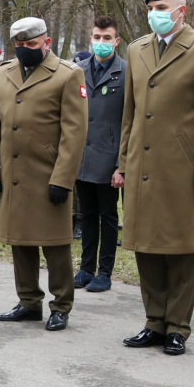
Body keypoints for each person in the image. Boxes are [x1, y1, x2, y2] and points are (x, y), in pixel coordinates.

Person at [118, 0, 194, 355]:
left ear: (181, 11)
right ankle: (154, 322)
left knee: (182, 250)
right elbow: (130, 114)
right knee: (145, 247)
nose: (155, 15)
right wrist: (124, 160)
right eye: (151, 9)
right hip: (142, 167)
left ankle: (178, 326)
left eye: (162, 9)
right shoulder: (137, 50)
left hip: (183, 169)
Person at [0, 16, 88, 332]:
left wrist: (63, 178)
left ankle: (61, 305)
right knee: (20, 241)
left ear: (47, 42)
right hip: (14, 173)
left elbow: (75, 132)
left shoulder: (68, 75)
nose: (25, 49)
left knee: (55, 244)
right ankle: (28, 301)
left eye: (31, 44)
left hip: (48, 174)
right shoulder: (3, 73)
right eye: (20, 45)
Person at [73, 15, 127, 293]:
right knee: (87, 215)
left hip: (109, 159)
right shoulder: (78, 70)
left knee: (108, 216)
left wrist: (122, 165)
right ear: (91, 39)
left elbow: (130, 122)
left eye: (107, 38)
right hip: (82, 157)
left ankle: (104, 272)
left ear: (116, 41)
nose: (101, 42)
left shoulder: (127, 72)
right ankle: (85, 268)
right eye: (97, 37)